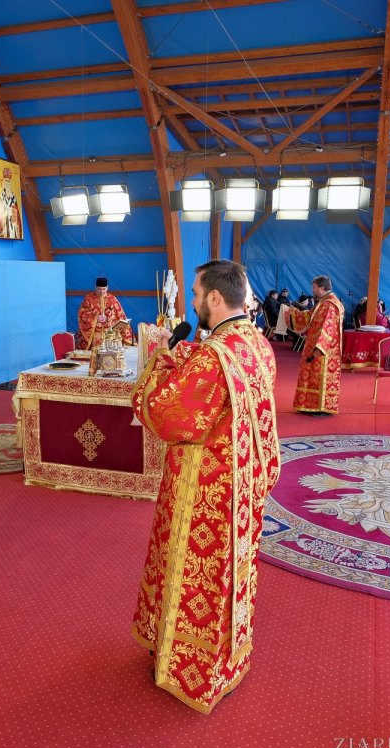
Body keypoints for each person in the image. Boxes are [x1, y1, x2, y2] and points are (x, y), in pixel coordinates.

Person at [131, 259, 280, 714]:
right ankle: (231, 659)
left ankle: (194, 667)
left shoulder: (213, 356)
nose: (192, 303)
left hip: (207, 490)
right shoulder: (256, 342)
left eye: (195, 295)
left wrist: (156, 370)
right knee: (233, 573)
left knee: (202, 575)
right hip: (245, 483)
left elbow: (168, 414)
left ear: (215, 299)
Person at [293, 275, 344, 416]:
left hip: (323, 350)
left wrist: (319, 349)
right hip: (315, 345)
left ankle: (320, 407)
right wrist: (291, 314)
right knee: (312, 376)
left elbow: (327, 329)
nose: (313, 290)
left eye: (314, 287)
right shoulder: (324, 302)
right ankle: (308, 405)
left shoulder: (329, 305)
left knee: (319, 378)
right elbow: (310, 316)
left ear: (322, 288)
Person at [76, 277, 134, 350]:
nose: (102, 291)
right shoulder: (89, 298)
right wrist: (96, 317)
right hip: (94, 333)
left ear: (107, 287)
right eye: (99, 289)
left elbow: (120, 315)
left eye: (104, 289)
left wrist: (109, 318)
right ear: (95, 287)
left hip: (110, 332)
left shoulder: (112, 299)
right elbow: (82, 314)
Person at [0, 166, 22, 239]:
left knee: (13, 232)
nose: (7, 184)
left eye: (9, 183)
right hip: (5, 221)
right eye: (6, 182)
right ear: (3, 183)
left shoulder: (13, 196)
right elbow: (0, 211)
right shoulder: (1, 195)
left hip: (13, 221)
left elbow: (16, 212)